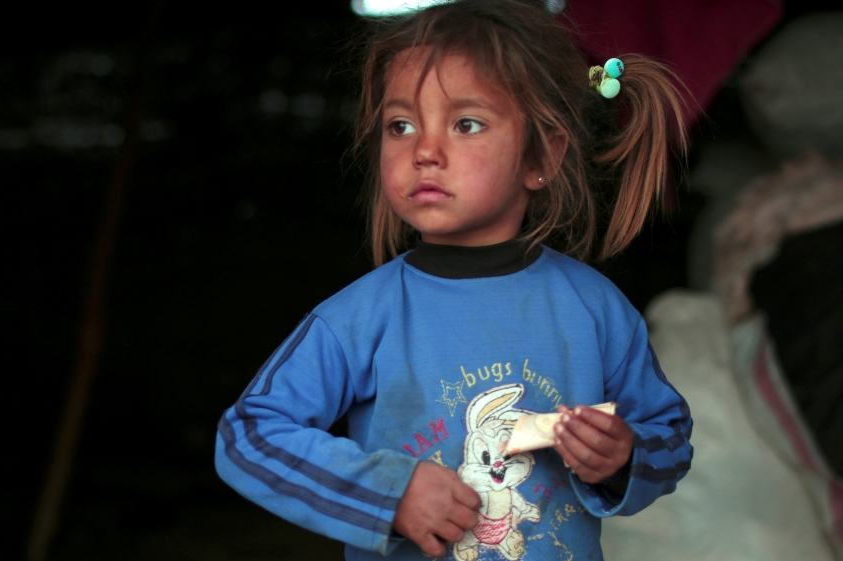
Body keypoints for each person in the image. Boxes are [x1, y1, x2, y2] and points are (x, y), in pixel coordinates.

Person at [215, 1, 693, 560]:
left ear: (542, 154)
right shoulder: (360, 317)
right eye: (401, 125)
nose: (424, 150)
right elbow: (248, 435)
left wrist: (625, 457)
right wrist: (386, 493)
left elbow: (670, 435)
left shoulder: (593, 309)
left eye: (466, 123)